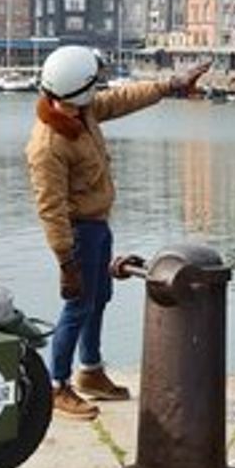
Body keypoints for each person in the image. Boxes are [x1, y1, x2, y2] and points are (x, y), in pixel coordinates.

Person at [26, 46, 208, 420]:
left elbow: (123, 99)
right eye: (94, 82)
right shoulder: (48, 145)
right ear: (79, 87)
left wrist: (171, 85)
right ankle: (56, 385)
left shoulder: (81, 112)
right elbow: (50, 209)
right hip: (78, 234)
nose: (100, 89)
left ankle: (90, 371)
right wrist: (66, 263)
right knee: (77, 306)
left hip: (97, 226)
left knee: (99, 299)